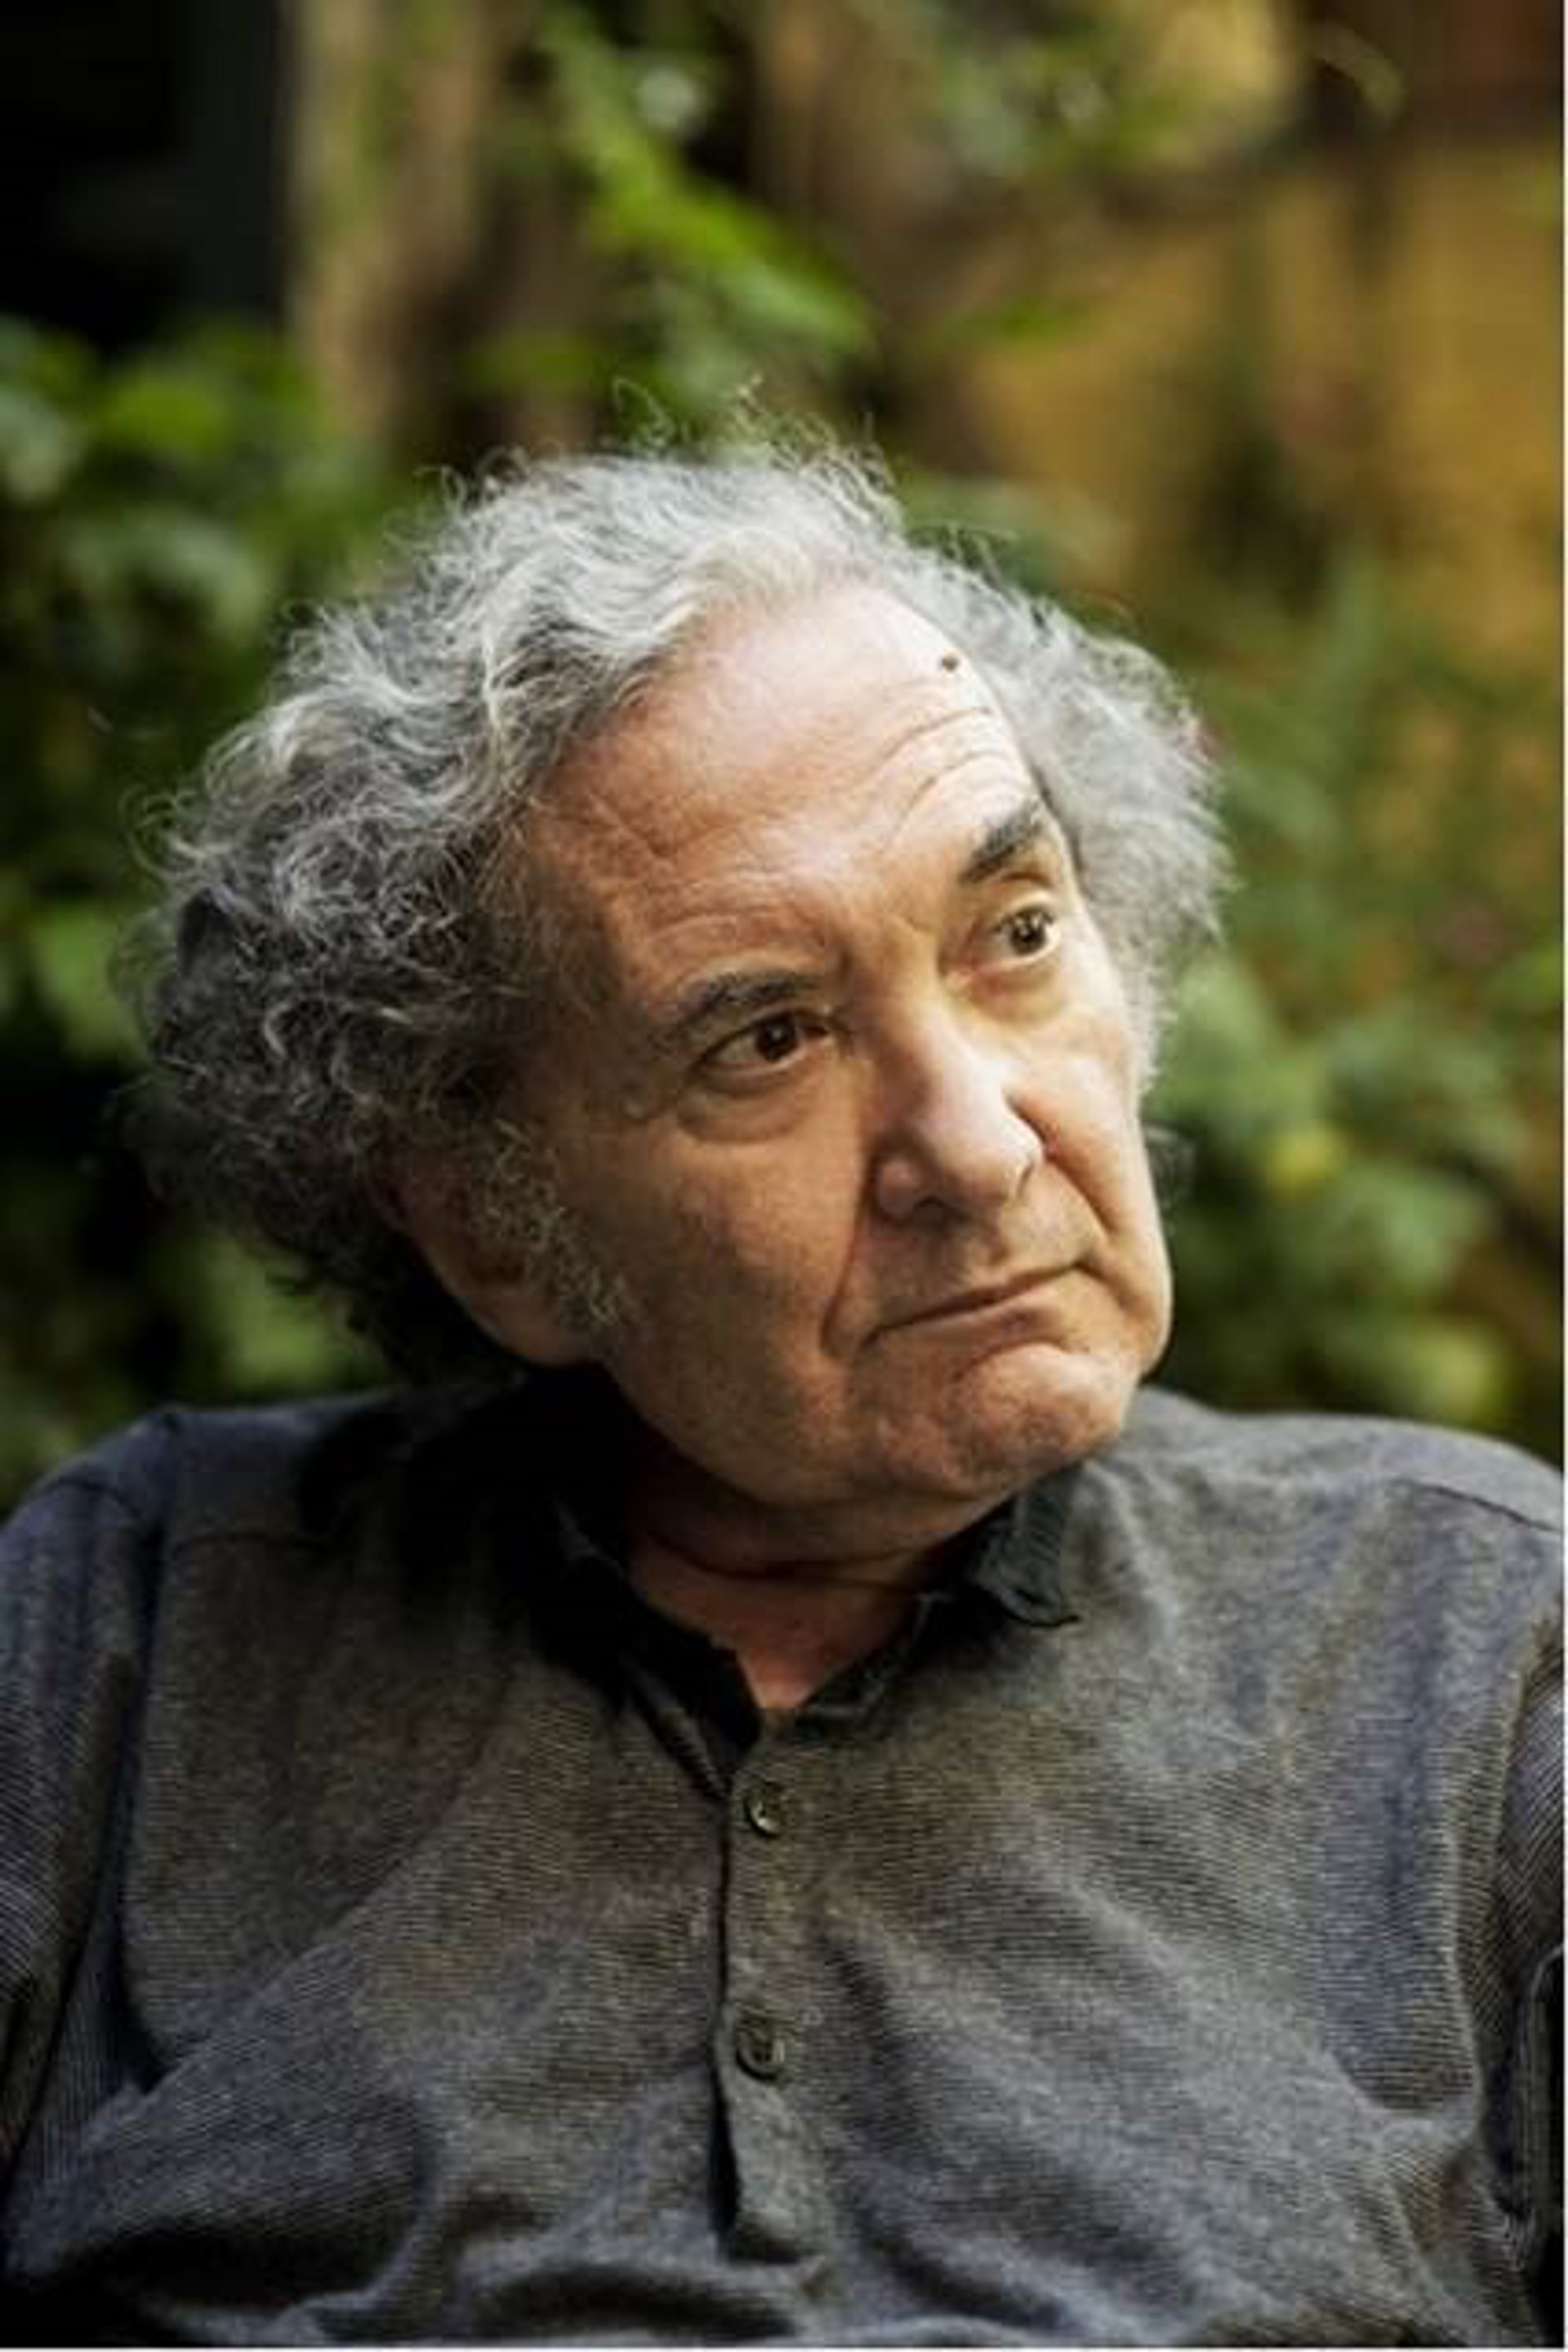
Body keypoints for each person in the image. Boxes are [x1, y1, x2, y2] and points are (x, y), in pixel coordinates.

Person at [0, 438, 1557, 2350]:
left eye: (1016, 934)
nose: (979, 1147)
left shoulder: (1482, 1652)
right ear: (488, 1226)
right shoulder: (129, 1641)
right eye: (769, 1037)